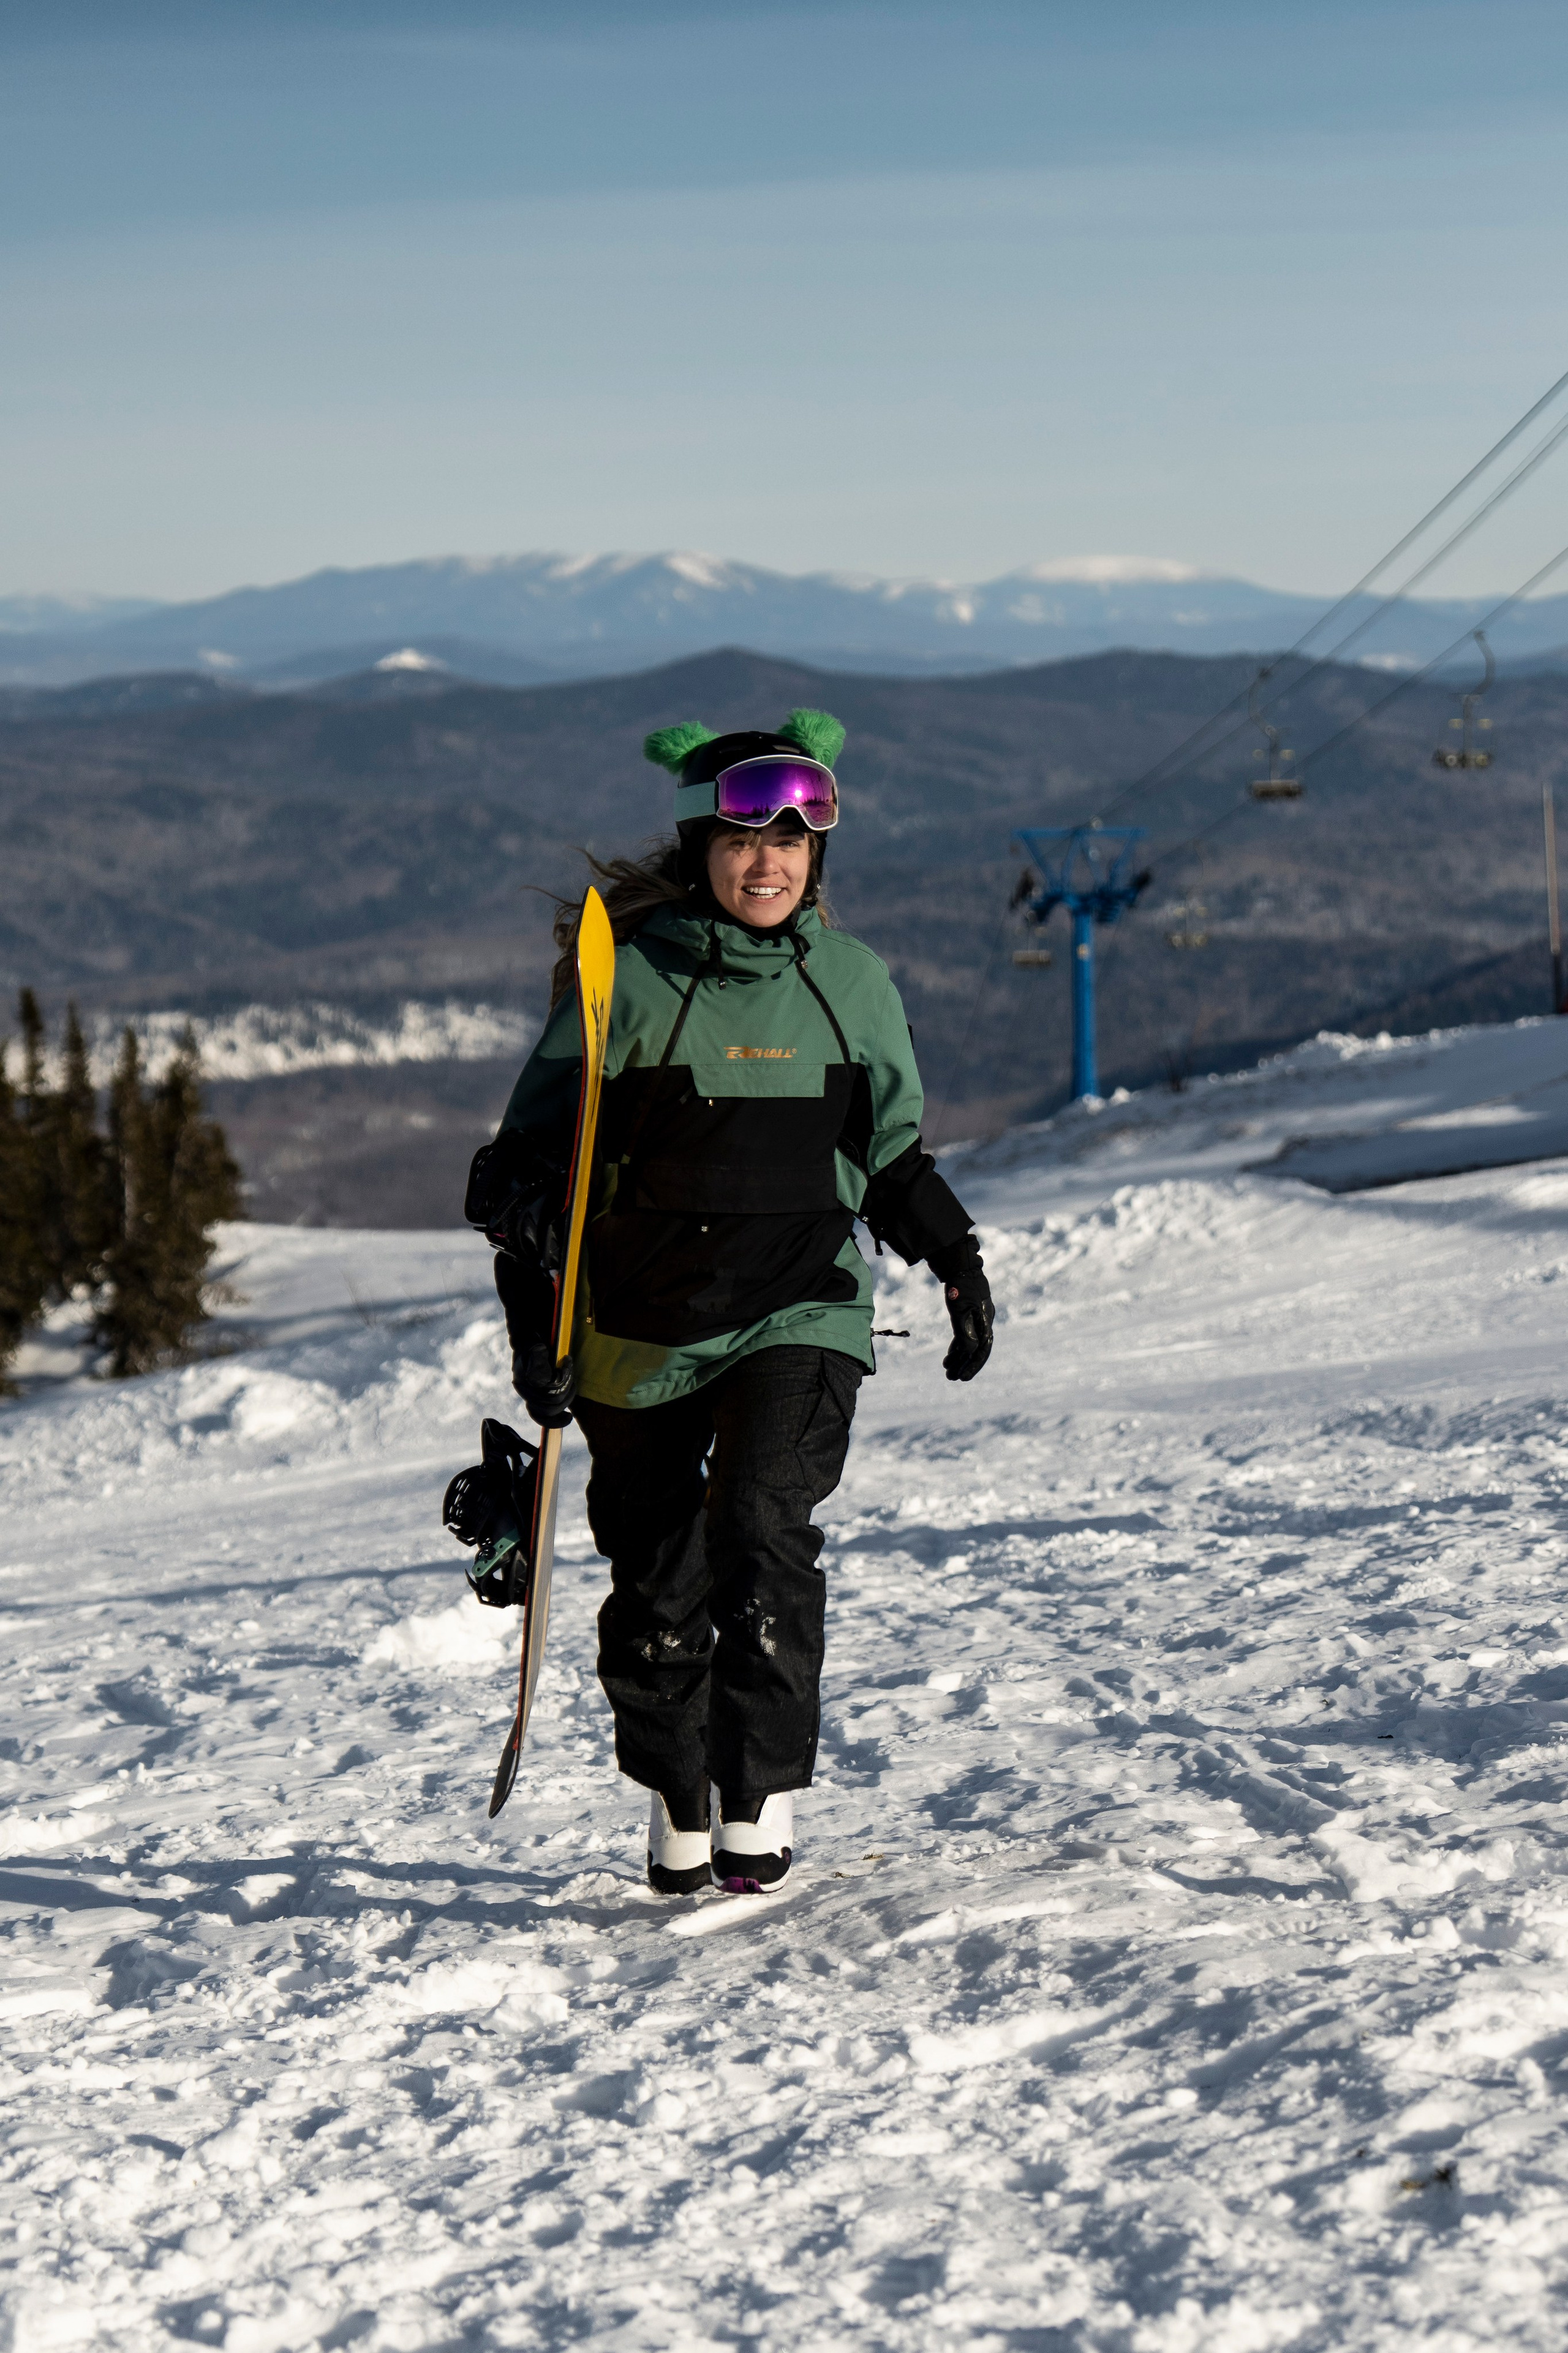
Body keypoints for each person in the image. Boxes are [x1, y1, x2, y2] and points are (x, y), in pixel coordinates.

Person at [466, 709, 993, 1894]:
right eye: (747, 839)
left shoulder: (851, 986)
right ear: (704, 845)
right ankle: (678, 1789)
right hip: (639, 1329)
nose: (771, 861)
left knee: (762, 1524)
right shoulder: (629, 988)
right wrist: (533, 1324)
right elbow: (519, 1175)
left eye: (796, 842)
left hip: (799, 1309)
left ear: (820, 856)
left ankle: (757, 1788)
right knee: (659, 1577)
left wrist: (954, 1258)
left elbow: (892, 1154)